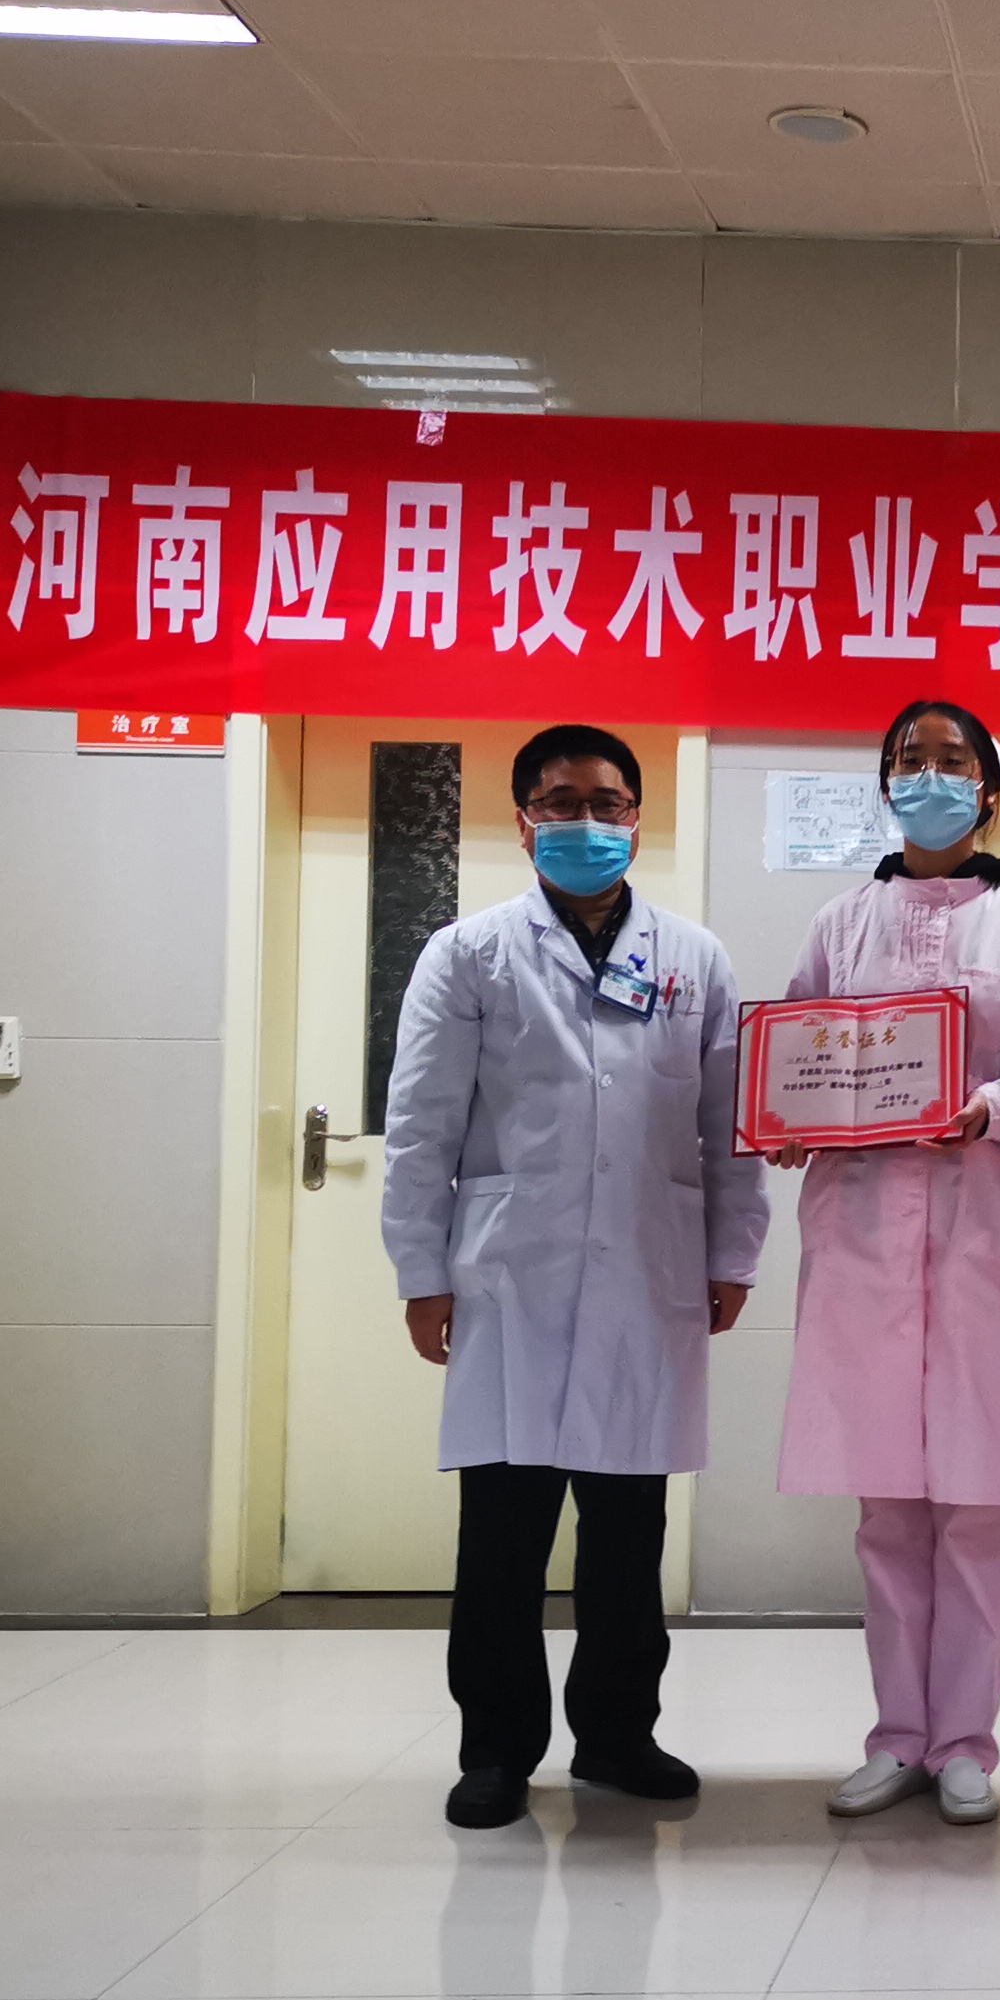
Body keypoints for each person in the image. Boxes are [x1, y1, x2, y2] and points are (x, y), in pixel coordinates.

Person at [382, 723, 767, 1831]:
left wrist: (733, 1252)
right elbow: (421, 1126)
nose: (586, 822)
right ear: (524, 822)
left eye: (607, 803)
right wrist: (420, 1269)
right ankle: (497, 1749)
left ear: (638, 820)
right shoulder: (469, 954)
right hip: (512, 1273)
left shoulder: (693, 958)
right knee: (502, 1535)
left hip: (649, 1271)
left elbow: (729, 1125)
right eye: (561, 803)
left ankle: (617, 1734)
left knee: (628, 1531)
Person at [768, 700, 1000, 1828]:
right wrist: (783, 1118)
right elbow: (793, 1053)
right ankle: (899, 1734)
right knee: (888, 1509)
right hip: (863, 1241)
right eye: (911, 759)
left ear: (989, 788)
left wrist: (991, 1107)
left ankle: (966, 1744)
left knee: (978, 1506)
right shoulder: (841, 923)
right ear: (886, 783)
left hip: (988, 1240)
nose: (930, 777)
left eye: (953, 761)